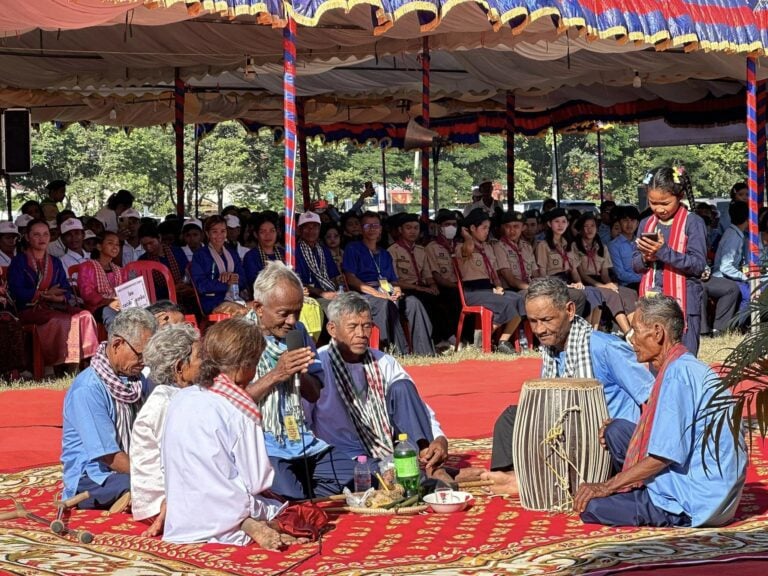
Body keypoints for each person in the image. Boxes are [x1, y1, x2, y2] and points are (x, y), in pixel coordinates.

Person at [575, 296, 747, 527]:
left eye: (635, 331)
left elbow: (664, 456)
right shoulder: (682, 365)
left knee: (592, 508)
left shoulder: (677, 375)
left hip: (695, 499)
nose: (631, 340)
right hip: (711, 488)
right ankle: (638, 490)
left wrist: (607, 486)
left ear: (657, 333)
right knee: (616, 430)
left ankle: (666, 509)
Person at [483, 277, 653, 495]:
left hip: (602, 443)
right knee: (511, 417)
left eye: (546, 319)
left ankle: (526, 481)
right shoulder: (551, 352)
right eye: (533, 321)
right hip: (565, 433)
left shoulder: (606, 348)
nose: (539, 329)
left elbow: (651, 397)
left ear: (570, 311)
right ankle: (511, 475)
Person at [162, 319, 288, 547]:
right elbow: (257, 480)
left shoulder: (180, 397)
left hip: (181, 515)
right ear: (245, 366)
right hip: (225, 513)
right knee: (290, 515)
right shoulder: (239, 409)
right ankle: (246, 524)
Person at [312, 293, 449, 480]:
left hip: (391, 445)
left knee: (402, 386)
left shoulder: (384, 361)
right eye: (352, 327)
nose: (361, 334)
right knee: (369, 476)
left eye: (366, 326)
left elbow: (416, 407)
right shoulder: (318, 364)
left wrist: (439, 438)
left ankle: (427, 460)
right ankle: (424, 473)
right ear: (332, 329)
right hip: (347, 454)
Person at [247, 262, 354, 499]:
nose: (292, 321)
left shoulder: (299, 332)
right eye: (284, 313)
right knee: (292, 499)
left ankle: (297, 486)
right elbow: (229, 403)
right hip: (262, 443)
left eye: (297, 311)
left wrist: (299, 371)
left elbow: (314, 393)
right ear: (258, 307)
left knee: (359, 477)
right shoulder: (238, 336)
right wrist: (276, 374)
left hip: (300, 439)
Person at [60, 308, 158, 508]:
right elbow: (108, 456)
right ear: (117, 345)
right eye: (140, 355)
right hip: (94, 476)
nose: (145, 361)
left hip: (130, 465)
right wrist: (152, 474)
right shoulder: (88, 389)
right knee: (152, 485)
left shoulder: (137, 381)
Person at [130, 323, 201, 536]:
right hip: (161, 500)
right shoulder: (163, 403)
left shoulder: (186, 395)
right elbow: (175, 463)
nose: (207, 363)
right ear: (180, 368)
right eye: (200, 357)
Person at [632, 166, 707, 356]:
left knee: (682, 357)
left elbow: (698, 265)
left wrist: (664, 252)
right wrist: (645, 258)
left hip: (684, 301)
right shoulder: (646, 223)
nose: (658, 208)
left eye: (664, 203)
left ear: (679, 196)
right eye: (652, 202)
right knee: (653, 357)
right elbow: (635, 265)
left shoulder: (693, 222)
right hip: (652, 300)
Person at [8, 219, 99, 372]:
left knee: (85, 316)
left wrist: (58, 297)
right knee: (59, 320)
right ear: (27, 237)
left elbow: (64, 288)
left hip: (55, 305)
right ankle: (54, 366)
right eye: (36, 235)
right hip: (30, 309)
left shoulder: (55, 262)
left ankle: (82, 364)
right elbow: (17, 291)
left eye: (45, 234)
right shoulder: (19, 262)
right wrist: (42, 294)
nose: (41, 238)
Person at [343, 211, 434, 355]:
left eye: (376, 226)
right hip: (364, 294)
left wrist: (397, 290)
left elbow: (393, 280)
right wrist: (376, 293)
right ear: (361, 229)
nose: (372, 229)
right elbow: (351, 278)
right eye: (368, 225)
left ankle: (424, 352)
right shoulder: (353, 248)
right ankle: (391, 351)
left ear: (380, 229)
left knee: (413, 302)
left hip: (386, 290)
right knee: (385, 304)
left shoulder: (384, 253)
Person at [455, 208, 522, 354]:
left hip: (488, 289)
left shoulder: (487, 247)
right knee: (505, 303)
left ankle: (503, 341)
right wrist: (467, 235)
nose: (487, 231)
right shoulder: (462, 246)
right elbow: (469, 248)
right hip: (472, 292)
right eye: (484, 228)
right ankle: (481, 343)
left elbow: (494, 272)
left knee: (517, 298)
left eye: (488, 228)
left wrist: (498, 286)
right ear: (473, 228)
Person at [388, 213, 451, 346]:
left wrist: (433, 285)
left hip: (422, 288)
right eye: (408, 228)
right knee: (427, 301)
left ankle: (448, 336)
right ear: (400, 230)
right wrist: (420, 288)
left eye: (416, 228)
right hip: (405, 290)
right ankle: (437, 340)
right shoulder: (392, 251)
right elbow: (394, 280)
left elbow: (428, 275)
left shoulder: (421, 250)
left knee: (445, 298)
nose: (413, 231)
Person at [574, 213, 637, 335]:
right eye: (586, 226)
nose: (590, 229)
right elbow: (582, 275)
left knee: (629, 292)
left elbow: (604, 274)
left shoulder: (601, 247)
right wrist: (604, 286)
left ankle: (636, 329)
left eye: (592, 225)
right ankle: (628, 333)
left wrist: (609, 283)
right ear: (581, 229)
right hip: (587, 282)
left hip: (600, 281)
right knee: (610, 294)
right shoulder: (574, 246)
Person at [533, 207, 589, 316]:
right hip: (552, 283)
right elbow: (542, 274)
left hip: (567, 280)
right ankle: (570, 328)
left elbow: (573, 271)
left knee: (592, 293)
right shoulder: (543, 245)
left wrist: (578, 283)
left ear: (568, 224)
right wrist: (563, 286)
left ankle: (591, 329)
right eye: (556, 222)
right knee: (579, 296)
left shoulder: (567, 244)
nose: (560, 225)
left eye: (564, 222)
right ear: (549, 224)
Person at [191, 215, 246, 314]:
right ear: (207, 233)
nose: (219, 235)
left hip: (234, 298)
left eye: (223, 231)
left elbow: (243, 279)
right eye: (214, 232)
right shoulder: (200, 255)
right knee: (242, 313)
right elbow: (201, 286)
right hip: (211, 302)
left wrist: (234, 277)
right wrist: (226, 282)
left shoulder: (232, 252)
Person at [712, 200, 750, 327]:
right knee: (749, 293)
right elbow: (726, 267)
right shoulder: (733, 237)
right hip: (721, 277)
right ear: (748, 218)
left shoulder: (734, 233)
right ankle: (738, 325)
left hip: (727, 275)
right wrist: (744, 277)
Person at [138, 222, 192, 304]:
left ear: (159, 238)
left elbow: (187, 272)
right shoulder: (142, 261)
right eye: (144, 245)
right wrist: (171, 288)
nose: (148, 248)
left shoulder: (177, 252)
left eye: (151, 243)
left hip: (184, 297)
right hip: (160, 303)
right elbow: (147, 290)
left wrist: (184, 285)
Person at [78, 232, 123, 328]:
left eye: (117, 244)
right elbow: (87, 294)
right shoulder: (87, 266)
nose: (115, 247)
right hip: (96, 308)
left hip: (118, 304)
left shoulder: (118, 270)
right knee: (111, 314)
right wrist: (109, 302)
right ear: (99, 247)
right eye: (110, 243)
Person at [296, 211, 342, 303]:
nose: (311, 231)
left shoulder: (324, 250)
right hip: (308, 298)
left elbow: (333, 276)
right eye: (306, 227)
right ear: (299, 230)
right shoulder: (294, 252)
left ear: (319, 229)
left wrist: (337, 292)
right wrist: (321, 293)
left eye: (315, 227)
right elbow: (295, 282)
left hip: (329, 293)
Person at [243, 215, 284, 288]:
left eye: (272, 231)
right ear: (256, 234)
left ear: (277, 233)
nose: (268, 235)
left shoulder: (283, 253)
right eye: (263, 231)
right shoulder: (251, 256)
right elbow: (254, 282)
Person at [608, 206, 642, 290]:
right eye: (625, 220)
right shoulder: (613, 245)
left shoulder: (642, 242)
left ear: (637, 223)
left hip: (644, 282)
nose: (629, 224)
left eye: (632, 220)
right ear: (619, 223)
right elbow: (620, 274)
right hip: (627, 286)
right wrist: (642, 278)